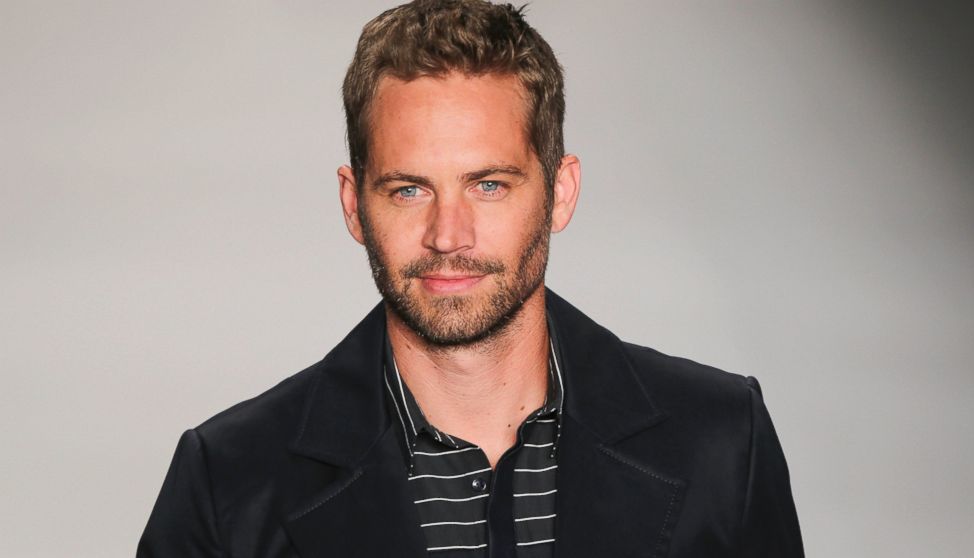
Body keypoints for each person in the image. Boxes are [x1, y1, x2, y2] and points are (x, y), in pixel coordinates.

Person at [138, 1, 804, 556]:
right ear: (354, 205)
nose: (447, 235)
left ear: (561, 192)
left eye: (488, 185)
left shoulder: (719, 441)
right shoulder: (231, 482)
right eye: (407, 190)